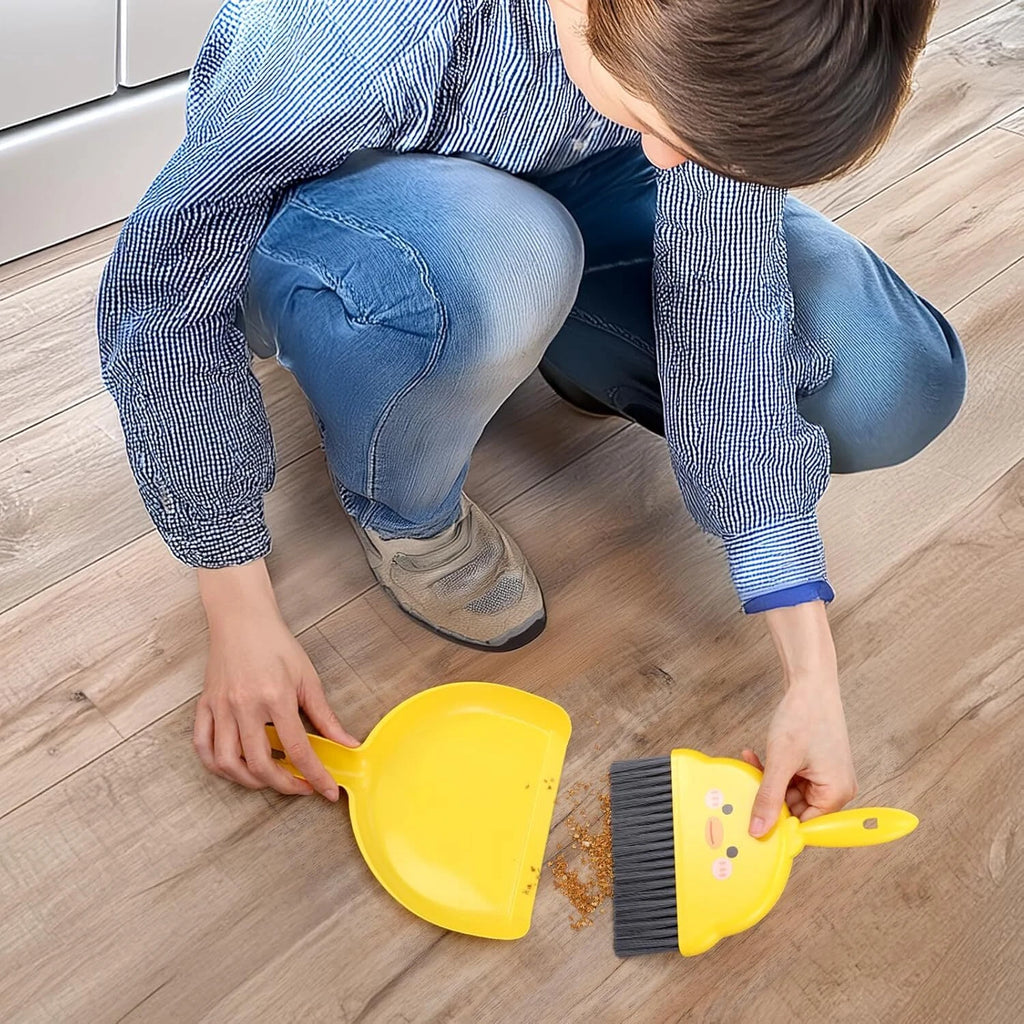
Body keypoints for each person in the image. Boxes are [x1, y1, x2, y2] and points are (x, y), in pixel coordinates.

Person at [96, 0, 964, 839]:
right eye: (659, 123)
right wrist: (235, 600)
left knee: (890, 382)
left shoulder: (713, 36)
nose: (671, 159)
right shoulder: (369, 26)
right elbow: (166, 283)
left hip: (571, 172)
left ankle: (556, 337)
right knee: (514, 257)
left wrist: (811, 671)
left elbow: (724, 300)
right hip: (341, 205)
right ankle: (405, 497)